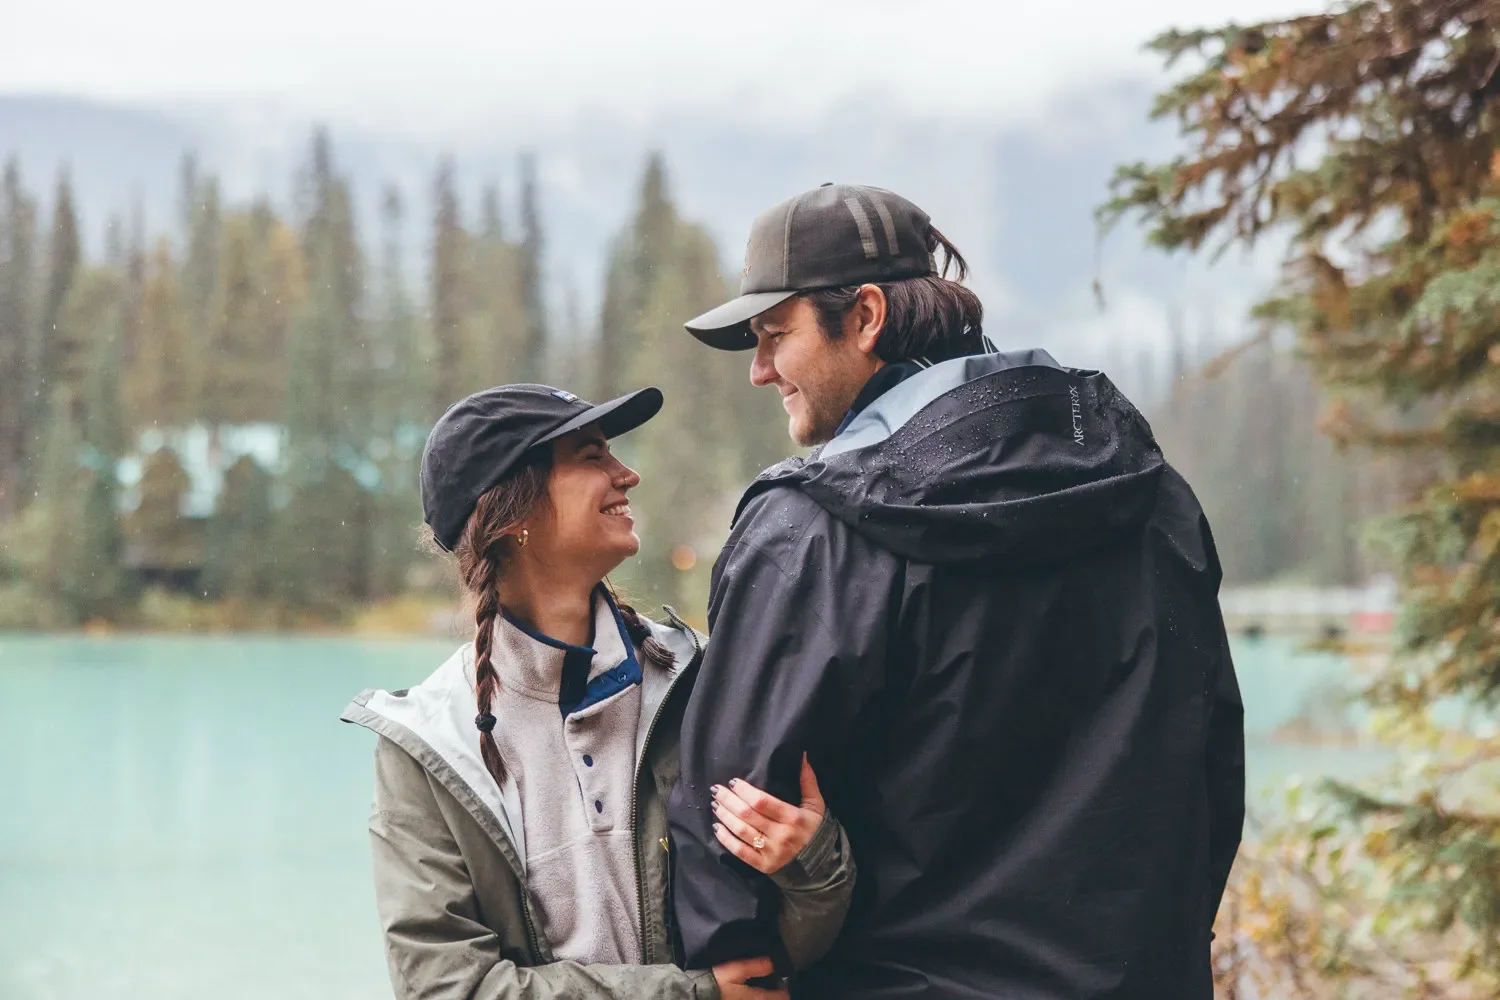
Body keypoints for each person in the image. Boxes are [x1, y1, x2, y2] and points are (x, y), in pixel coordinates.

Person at [668, 184, 1245, 999]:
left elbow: (733, 809)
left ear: (865, 317)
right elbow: (1212, 760)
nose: (760, 371)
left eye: (773, 334)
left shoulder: (811, 531)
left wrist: (741, 962)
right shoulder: (1150, 497)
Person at [341, 383, 856, 1000]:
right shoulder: (430, 746)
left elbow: (774, 960)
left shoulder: (697, 682)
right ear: (514, 514)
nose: (627, 474)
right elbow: (446, 988)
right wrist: (687, 995)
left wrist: (813, 866)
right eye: (591, 457)